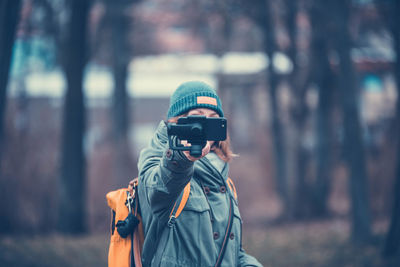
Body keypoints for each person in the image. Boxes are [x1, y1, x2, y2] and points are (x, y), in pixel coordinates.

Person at [137, 81, 263, 267]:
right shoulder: (160, 161)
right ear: (176, 123)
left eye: (213, 118)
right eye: (197, 119)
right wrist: (182, 158)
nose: (203, 127)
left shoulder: (224, 182)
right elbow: (158, 192)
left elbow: (231, 252)